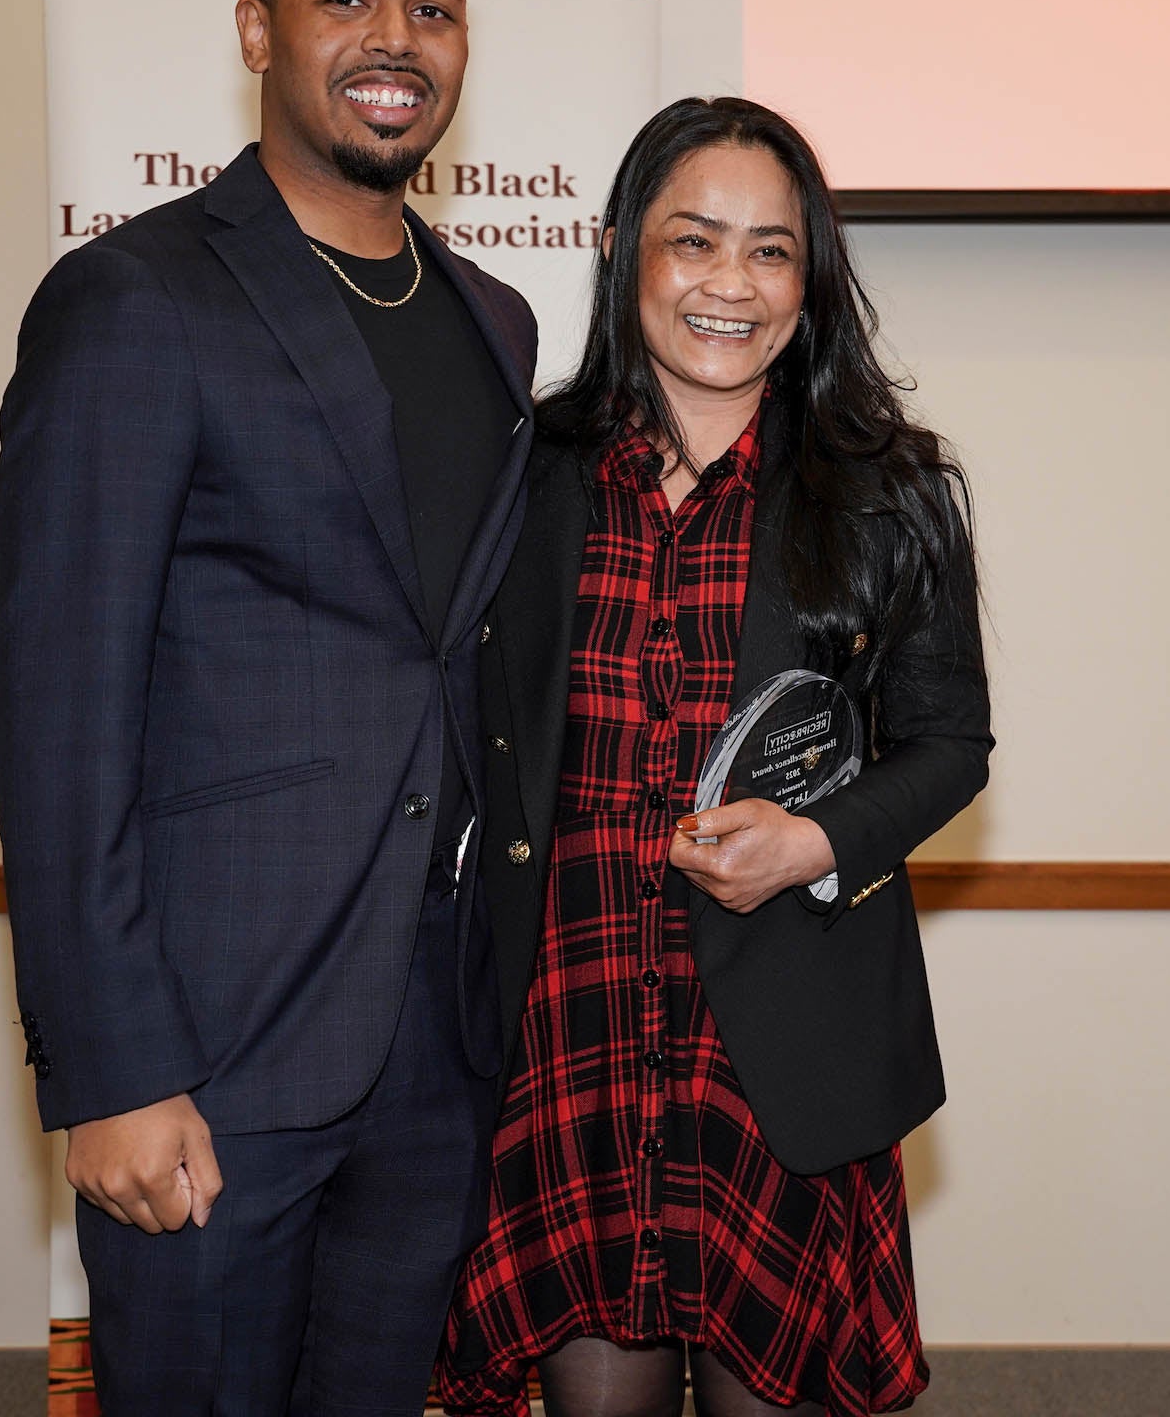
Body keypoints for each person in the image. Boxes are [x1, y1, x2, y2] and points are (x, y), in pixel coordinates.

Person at [0, 0, 535, 1416]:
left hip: (437, 1044)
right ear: (254, 33)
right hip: (209, 1051)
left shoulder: (493, 321)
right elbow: (59, 708)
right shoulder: (135, 299)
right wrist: (112, 1070)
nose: (396, 37)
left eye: (434, 8)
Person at [438, 98, 992, 1417]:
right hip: (569, 1034)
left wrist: (817, 840)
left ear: (813, 277)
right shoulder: (525, 473)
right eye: (695, 242)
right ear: (628, 248)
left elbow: (950, 745)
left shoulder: (887, 486)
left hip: (783, 1056)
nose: (730, 285)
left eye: (771, 251)